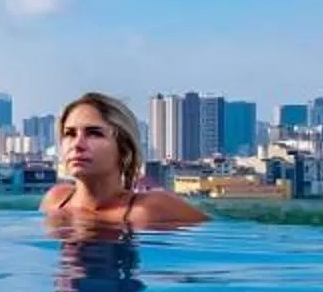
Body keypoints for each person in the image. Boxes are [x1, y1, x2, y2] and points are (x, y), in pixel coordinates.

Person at [39, 91, 207, 232]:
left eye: (94, 133)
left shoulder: (149, 209)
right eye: (70, 134)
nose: (77, 144)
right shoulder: (56, 200)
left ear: (123, 148)